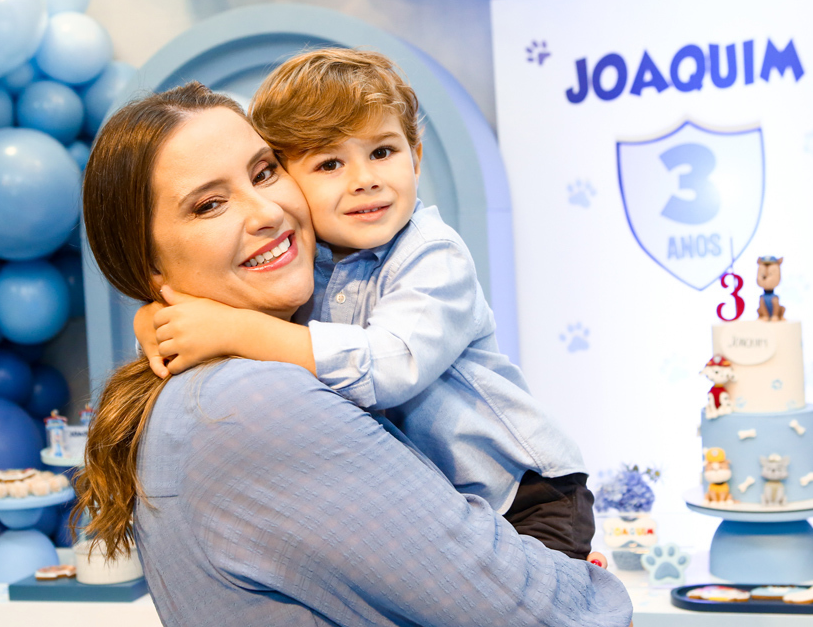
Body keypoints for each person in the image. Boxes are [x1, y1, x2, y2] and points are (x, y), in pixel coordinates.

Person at [76, 82, 633, 627]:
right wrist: (592, 609)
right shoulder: (255, 402)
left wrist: (175, 316)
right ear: (147, 264)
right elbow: (539, 613)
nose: (265, 213)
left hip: (527, 490)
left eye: (265, 172)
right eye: (209, 205)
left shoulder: (393, 267)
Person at [136, 49, 602, 566]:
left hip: (524, 491)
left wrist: (233, 329)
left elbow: (389, 366)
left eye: (382, 152)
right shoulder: (300, 263)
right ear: (290, 181)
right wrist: (158, 318)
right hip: (447, 509)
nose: (364, 179)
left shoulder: (433, 255)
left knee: (538, 608)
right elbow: (226, 308)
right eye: (330, 164)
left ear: (416, 158)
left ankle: (586, 587)